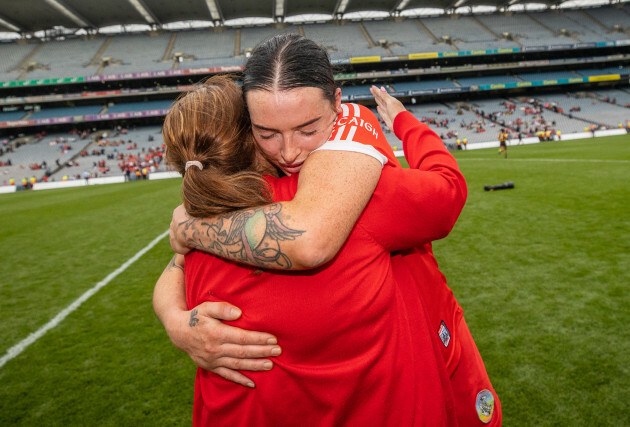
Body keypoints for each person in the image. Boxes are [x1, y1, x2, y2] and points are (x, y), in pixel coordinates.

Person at [155, 34, 500, 426]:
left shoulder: (211, 214)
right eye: (266, 134)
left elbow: (181, 263)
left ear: (337, 104)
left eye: (307, 129)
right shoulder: (362, 194)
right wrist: (404, 123)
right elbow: (447, 190)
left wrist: (186, 253)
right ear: (246, 130)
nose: (288, 152)